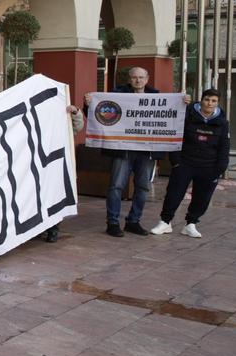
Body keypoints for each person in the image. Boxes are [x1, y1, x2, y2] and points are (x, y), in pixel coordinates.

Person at [84, 67, 165, 238]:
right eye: (134, 77)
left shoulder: (158, 98)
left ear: (147, 78)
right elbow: (99, 114)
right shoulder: (116, 95)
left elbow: (172, 116)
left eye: (141, 77)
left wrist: (184, 103)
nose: (138, 80)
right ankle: (112, 222)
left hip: (146, 151)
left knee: (143, 187)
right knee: (116, 186)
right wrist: (88, 104)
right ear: (129, 79)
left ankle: (133, 221)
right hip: (123, 150)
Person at [149, 89, 230, 238]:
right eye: (207, 100)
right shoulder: (187, 114)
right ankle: (165, 222)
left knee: (202, 197)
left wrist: (220, 168)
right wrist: (176, 162)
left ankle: (191, 224)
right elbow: (176, 135)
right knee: (174, 193)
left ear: (218, 103)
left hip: (209, 166)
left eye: (213, 101)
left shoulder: (222, 123)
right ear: (201, 100)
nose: (209, 103)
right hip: (185, 163)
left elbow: (224, 146)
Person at [42, 103, 85, 243]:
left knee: (55, 197)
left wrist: (76, 112)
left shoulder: (61, 125)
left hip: (57, 168)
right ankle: (42, 226)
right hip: (41, 169)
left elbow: (77, 126)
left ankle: (53, 228)